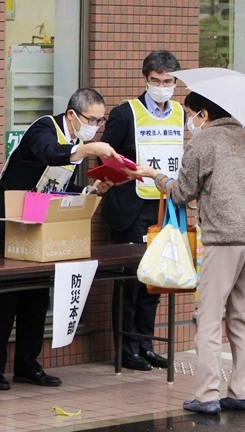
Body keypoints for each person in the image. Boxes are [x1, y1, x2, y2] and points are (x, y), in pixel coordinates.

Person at [127, 91, 245, 415]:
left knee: (208, 318)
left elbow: (181, 193)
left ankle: (207, 395)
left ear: (204, 115)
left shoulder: (203, 142)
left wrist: (156, 176)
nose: (189, 123)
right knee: (241, 316)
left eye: (190, 115)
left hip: (223, 238)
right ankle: (243, 391)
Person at [0, 88, 120, 390]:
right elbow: (49, 153)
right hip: (7, 219)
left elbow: (55, 189)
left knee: (37, 294)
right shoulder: (46, 127)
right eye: (91, 119)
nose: (96, 126)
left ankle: (27, 365)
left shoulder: (77, 142)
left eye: (100, 120)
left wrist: (91, 191)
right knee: (6, 295)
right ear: (72, 114)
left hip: (37, 220)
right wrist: (87, 150)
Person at [99, 50, 182, 371]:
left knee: (155, 281)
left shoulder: (178, 113)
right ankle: (127, 347)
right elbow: (104, 158)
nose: (162, 86)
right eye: (156, 81)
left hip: (165, 208)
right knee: (131, 281)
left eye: (169, 81)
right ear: (145, 79)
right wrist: (130, 170)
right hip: (130, 209)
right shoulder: (125, 113)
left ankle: (146, 344)